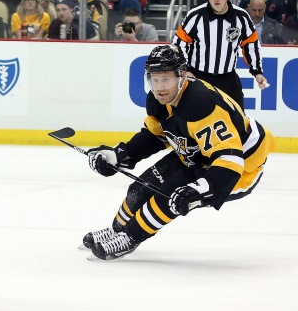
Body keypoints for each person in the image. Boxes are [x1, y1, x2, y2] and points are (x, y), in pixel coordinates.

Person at [82, 45, 275, 261]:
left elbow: (229, 158)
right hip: (200, 152)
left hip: (242, 165)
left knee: (169, 195)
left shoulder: (200, 103)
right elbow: (155, 136)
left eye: (166, 79)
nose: (160, 87)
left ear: (182, 75)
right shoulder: (157, 100)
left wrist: (201, 189)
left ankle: (130, 236)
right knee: (140, 187)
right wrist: (121, 155)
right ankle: (117, 230)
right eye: (154, 80)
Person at [172, 0, 268, 110]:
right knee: (191, 118)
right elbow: (178, 43)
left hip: (227, 79)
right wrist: (184, 70)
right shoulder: (195, 16)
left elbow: (251, 45)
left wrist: (257, 71)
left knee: (238, 120)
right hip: (198, 77)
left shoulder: (241, 17)